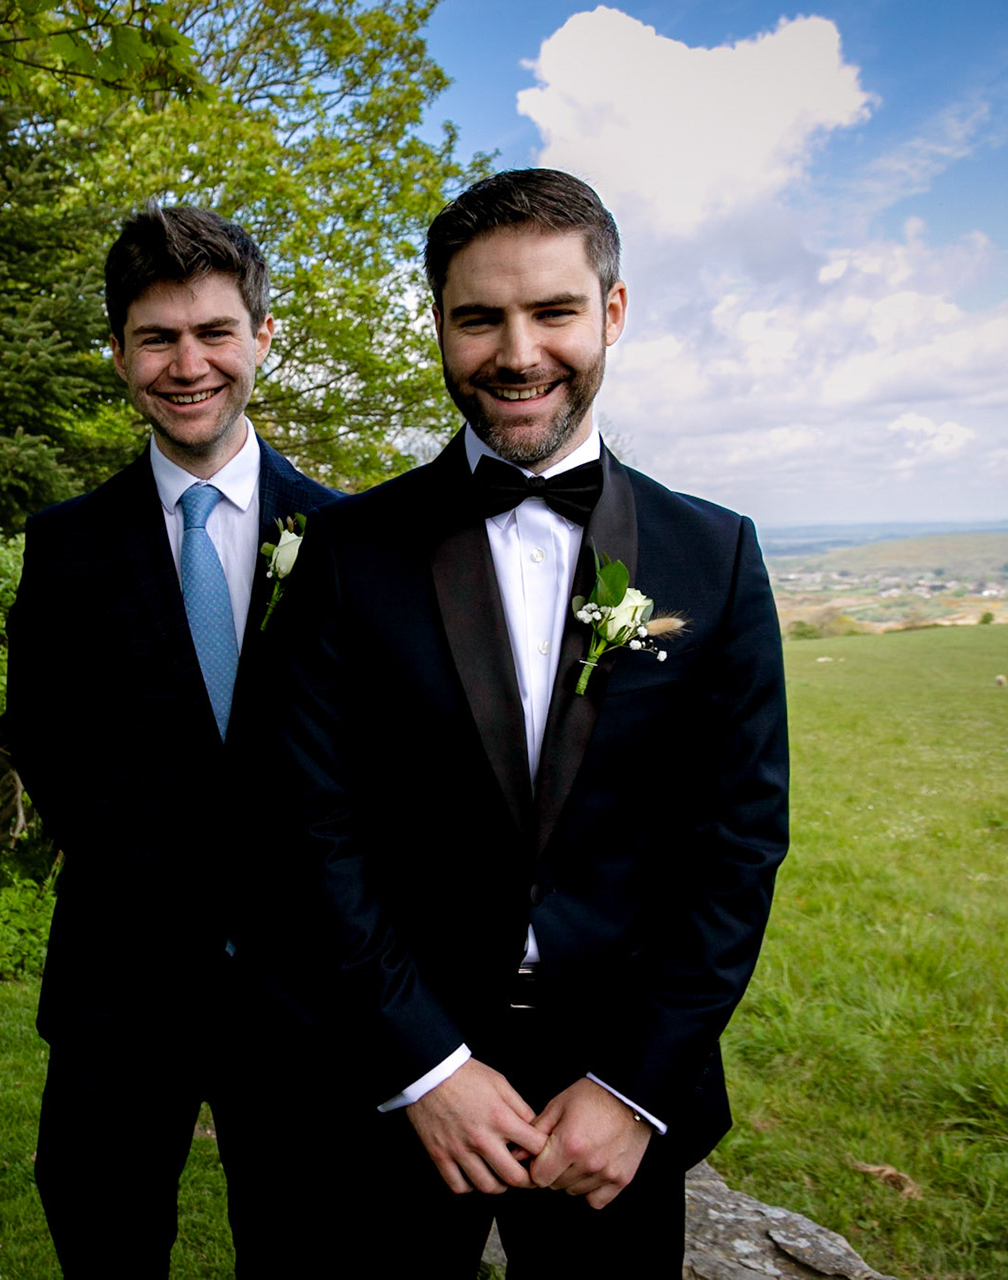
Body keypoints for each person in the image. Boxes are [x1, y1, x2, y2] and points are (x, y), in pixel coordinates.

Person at [247, 168, 789, 1277]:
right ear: (439, 324)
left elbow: (737, 843)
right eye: (480, 318)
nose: (519, 352)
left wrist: (636, 1085)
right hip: (399, 1076)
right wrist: (426, 1067)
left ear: (613, 312)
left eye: (554, 311)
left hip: (617, 1091)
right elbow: (310, 826)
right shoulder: (347, 555)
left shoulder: (716, 555)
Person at [3, 204, 338, 1277]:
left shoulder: (348, 538)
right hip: (120, 978)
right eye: (156, 338)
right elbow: (44, 739)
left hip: (305, 989)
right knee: (104, 1239)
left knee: (304, 1250)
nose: (188, 366)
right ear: (118, 353)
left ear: (262, 338)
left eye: (214, 332)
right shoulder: (64, 547)